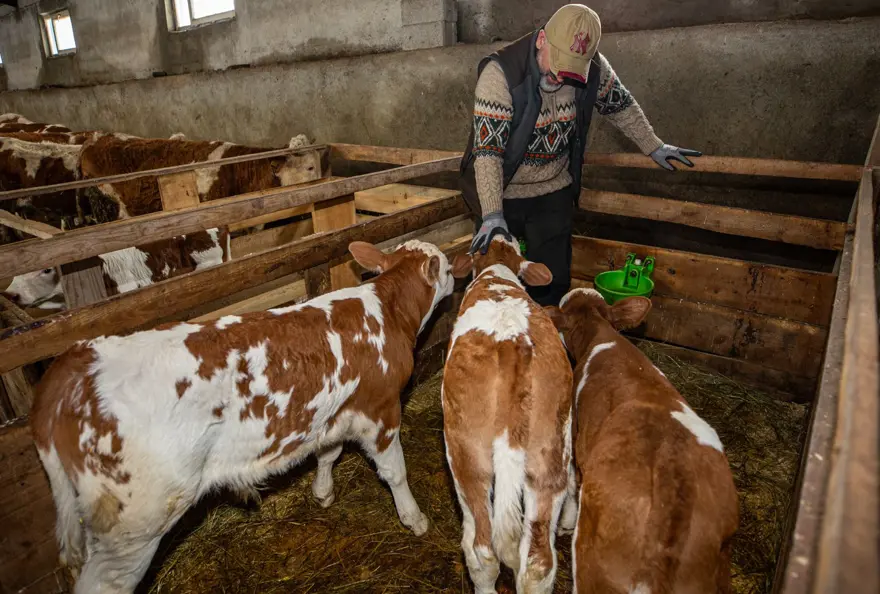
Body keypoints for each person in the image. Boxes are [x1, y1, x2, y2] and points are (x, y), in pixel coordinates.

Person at [459, 3, 701, 306]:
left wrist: (653, 145)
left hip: (552, 189)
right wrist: (492, 213)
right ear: (542, 40)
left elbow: (621, 106)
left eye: (574, 68)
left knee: (552, 283)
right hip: (501, 189)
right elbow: (489, 152)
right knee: (493, 280)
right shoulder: (501, 74)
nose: (562, 77)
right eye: (558, 63)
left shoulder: (594, 68)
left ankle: (551, 342)